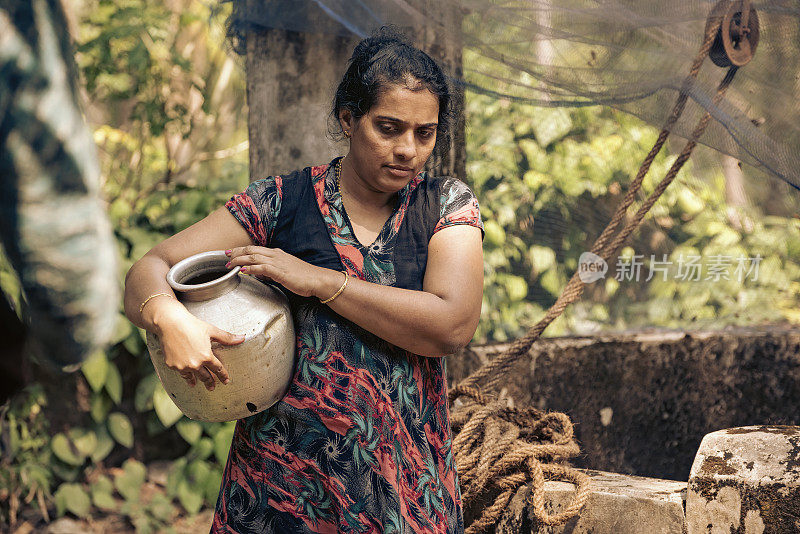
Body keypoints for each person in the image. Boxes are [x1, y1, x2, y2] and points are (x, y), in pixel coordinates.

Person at [124, 27, 484, 533]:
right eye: (388, 127)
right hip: (281, 487)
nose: (407, 149)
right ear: (348, 120)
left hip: (402, 487)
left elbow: (451, 324)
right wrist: (168, 318)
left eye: (423, 134)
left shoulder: (443, 206)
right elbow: (149, 267)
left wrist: (320, 282)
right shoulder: (281, 203)